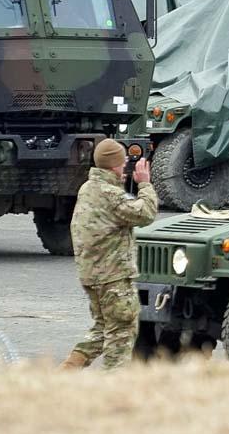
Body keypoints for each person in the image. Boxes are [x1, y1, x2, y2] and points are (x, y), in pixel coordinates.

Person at [62, 139, 159, 370]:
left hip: (93, 275)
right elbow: (145, 214)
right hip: (113, 277)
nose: (126, 165)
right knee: (122, 333)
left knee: (102, 328)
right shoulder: (111, 194)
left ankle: (67, 371)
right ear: (114, 165)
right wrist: (145, 184)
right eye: (123, 161)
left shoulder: (88, 188)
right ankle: (113, 385)